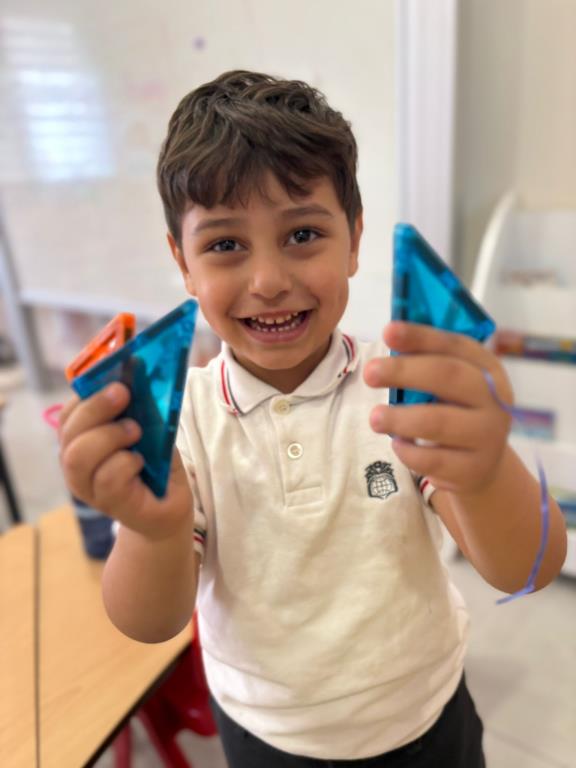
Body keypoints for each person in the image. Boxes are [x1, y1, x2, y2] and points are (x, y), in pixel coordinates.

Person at [58, 70, 567, 767]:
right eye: (225, 245)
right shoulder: (184, 424)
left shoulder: (400, 387)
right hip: (269, 736)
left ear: (353, 240)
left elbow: (527, 568)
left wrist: (484, 475)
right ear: (183, 263)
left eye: (302, 233)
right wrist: (155, 529)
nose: (268, 280)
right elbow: (148, 623)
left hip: (426, 718)